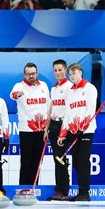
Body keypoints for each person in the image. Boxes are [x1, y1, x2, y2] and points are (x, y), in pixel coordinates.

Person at [57, 63, 97, 202]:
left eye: (74, 73)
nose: (72, 76)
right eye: (70, 74)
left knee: (83, 161)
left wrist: (82, 128)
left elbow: (90, 110)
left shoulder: (90, 88)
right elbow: (68, 113)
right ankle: (81, 192)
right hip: (73, 131)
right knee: (77, 162)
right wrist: (63, 133)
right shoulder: (70, 92)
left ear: (80, 72)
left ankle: (85, 193)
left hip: (86, 131)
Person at [10, 62, 50, 185]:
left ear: (37, 73)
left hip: (41, 131)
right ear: (24, 75)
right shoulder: (19, 86)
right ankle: (22, 189)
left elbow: (49, 106)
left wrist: (47, 128)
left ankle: (33, 188)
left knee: (37, 162)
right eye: (28, 74)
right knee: (26, 161)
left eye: (33, 73)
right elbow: (12, 95)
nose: (31, 76)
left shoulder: (43, 85)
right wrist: (18, 94)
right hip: (26, 130)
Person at [43, 59, 73, 201]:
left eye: (60, 70)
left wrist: (64, 130)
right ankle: (59, 190)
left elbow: (70, 109)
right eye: (55, 70)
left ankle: (64, 191)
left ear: (65, 70)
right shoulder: (53, 88)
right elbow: (51, 108)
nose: (57, 73)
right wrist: (46, 128)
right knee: (57, 159)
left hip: (65, 125)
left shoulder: (70, 87)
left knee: (62, 159)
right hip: (54, 125)